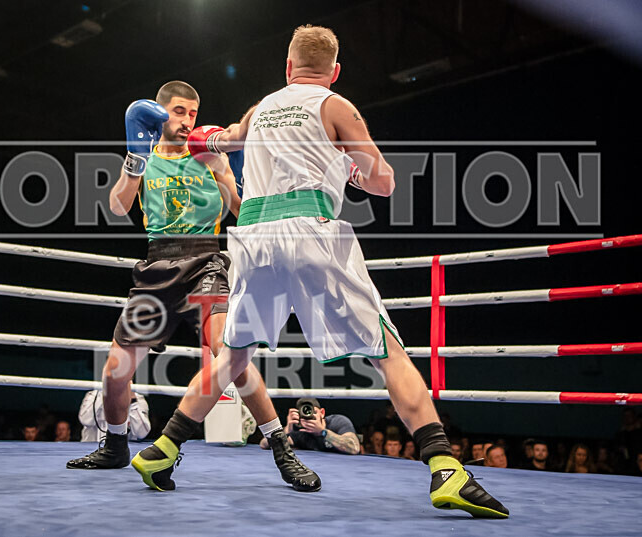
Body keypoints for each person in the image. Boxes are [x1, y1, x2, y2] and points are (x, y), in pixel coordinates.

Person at [135, 25, 508, 518]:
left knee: (232, 355)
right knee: (386, 348)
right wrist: (351, 167)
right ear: (334, 72)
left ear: (288, 69)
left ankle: (161, 450)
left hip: (253, 239)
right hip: (311, 231)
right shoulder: (336, 106)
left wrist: (209, 142)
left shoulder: (262, 107)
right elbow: (384, 182)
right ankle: (444, 467)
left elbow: (217, 142)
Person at [66, 80, 319, 493]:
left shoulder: (208, 150)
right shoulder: (144, 155)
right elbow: (117, 206)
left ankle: (280, 445)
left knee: (229, 352)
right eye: (180, 112)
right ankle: (114, 445)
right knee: (116, 370)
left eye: (193, 114)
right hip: (156, 265)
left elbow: (241, 212)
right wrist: (134, 158)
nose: (188, 121)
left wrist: (222, 172)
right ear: (161, 113)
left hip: (206, 261)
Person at [259, 398, 359, 455]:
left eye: (313, 412)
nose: (309, 417)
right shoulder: (300, 431)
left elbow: (354, 448)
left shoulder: (337, 422)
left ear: (322, 413)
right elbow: (264, 444)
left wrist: (322, 432)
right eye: (304, 414)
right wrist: (286, 430)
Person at [77, 389, 150, 443]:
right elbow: (86, 421)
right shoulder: (93, 395)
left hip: (124, 452)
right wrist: (104, 395)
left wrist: (133, 402)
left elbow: (141, 434)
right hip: (89, 449)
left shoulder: (138, 399)